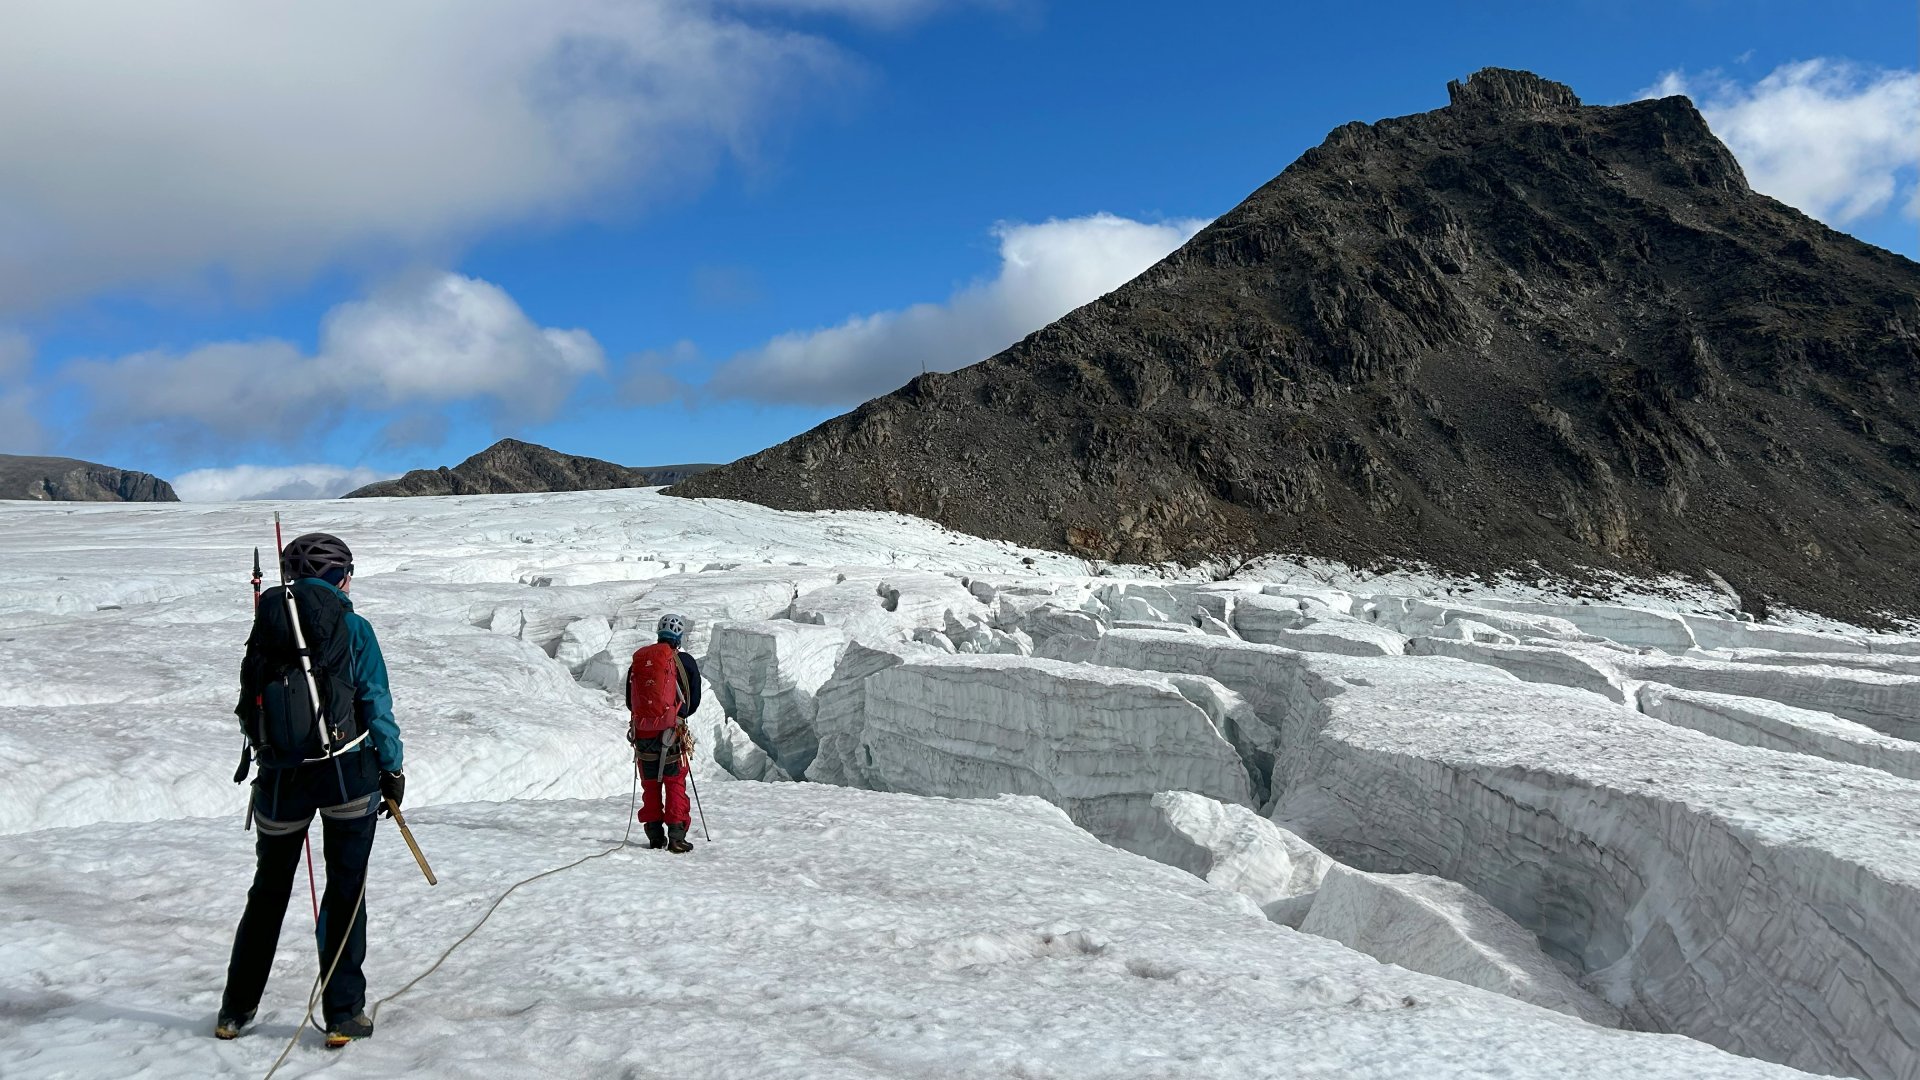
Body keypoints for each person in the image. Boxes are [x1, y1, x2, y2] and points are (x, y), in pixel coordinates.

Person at [217, 532, 405, 1048]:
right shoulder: (353, 626)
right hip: (347, 774)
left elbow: (248, 703)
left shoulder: (267, 622)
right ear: (342, 577)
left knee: (268, 892)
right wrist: (391, 769)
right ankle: (343, 1016)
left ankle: (235, 1010)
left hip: (279, 777)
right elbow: (375, 701)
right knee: (345, 892)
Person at [626, 613, 701, 853]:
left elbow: (630, 701)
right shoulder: (685, 662)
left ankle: (655, 836)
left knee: (650, 783)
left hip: (643, 734)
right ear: (679, 637)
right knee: (674, 782)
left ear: (659, 633)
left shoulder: (640, 661)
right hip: (672, 732)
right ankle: (677, 837)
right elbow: (693, 701)